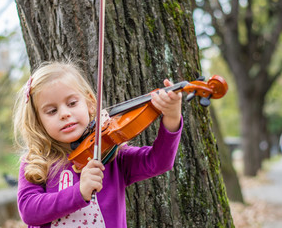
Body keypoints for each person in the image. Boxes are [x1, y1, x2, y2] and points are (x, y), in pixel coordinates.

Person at [13, 60, 183, 228]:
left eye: (72, 103)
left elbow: (159, 162)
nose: (64, 114)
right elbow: (29, 211)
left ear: (89, 103)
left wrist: (172, 117)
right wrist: (79, 192)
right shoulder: (36, 162)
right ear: (38, 121)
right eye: (52, 111)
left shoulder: (110, 155)